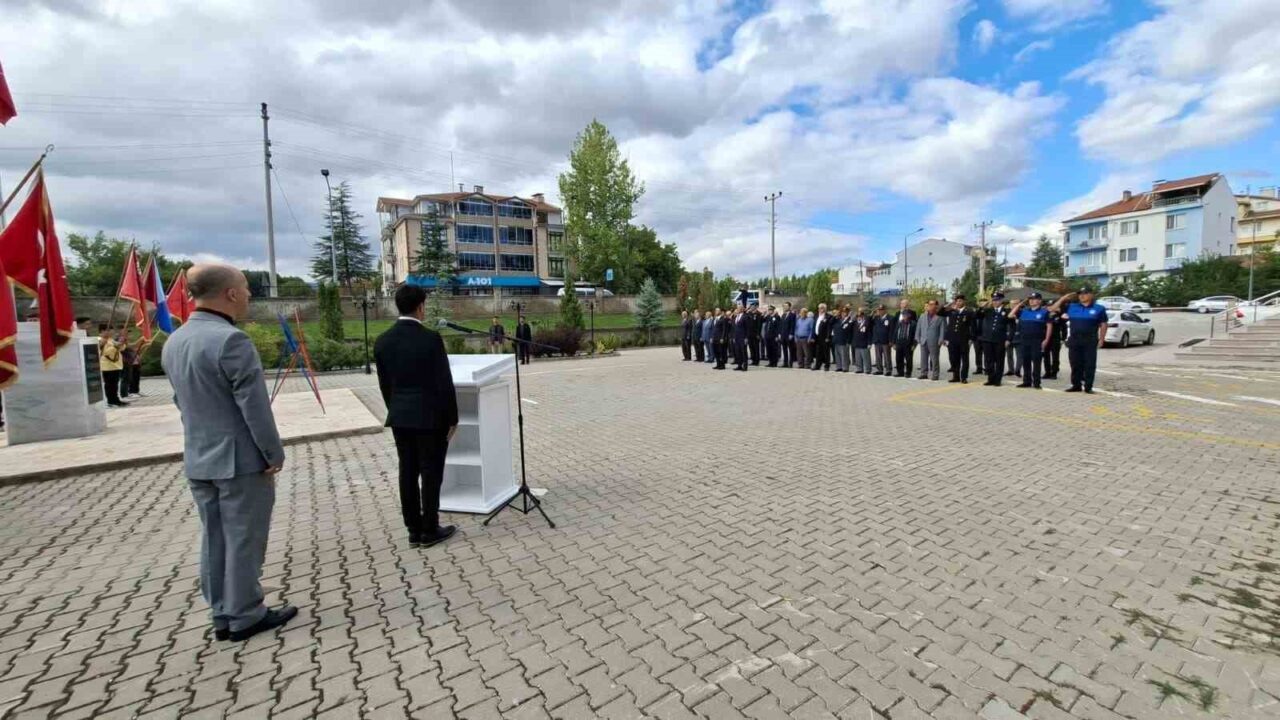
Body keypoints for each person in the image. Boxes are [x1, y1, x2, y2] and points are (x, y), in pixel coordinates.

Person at [161, 263, 294, 642]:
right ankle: (246, 614)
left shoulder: (175, 341)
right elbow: (254, 407)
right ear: (231, 294)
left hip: (199, 457)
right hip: (239, 461)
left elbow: (180, 402)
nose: (249, 294)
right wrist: (272, 453)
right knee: (244, 538)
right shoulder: (231, 341)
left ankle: (222, 611)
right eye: (246, 287)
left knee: (215, 537)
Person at [375, 283, 460, 550]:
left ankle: (413, 529)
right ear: (421, 307)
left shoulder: (382, 341)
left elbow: (384, 384)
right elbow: (444, 382)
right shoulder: (431, 339)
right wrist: (453, 418)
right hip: (430, 419)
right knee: (430, 473)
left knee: (407, 472)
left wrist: (396, 409)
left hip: (400, 417)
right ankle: (430, 528)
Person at [1053, 288, 1108, 393]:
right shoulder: (1072, 306)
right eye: (1080, 294)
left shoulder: (1099, 308)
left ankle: (1088, 387)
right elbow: (1052, 309)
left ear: (1091, 295)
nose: (1081, 296)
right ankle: (1076, 385)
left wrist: (1101, 339)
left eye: (1085, 294)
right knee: (1075, 363)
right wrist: (1063, 298)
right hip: (1074, 339)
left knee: (1089, 364)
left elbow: (1103, 324)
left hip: (1090, 339)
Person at [1008, 292, 1052, 388]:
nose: (1031, 301)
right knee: (1026, 361)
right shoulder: (1024, 311)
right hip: (1024, 340)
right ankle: (1027, 381)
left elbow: (1049, 326)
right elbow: (1010, 315)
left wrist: (1046, 339)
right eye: (1030, 299)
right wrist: (1020, 304)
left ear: (1039, 301)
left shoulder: (1044, 312)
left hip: (1037, 340)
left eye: (1034, 299)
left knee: (1036, 361)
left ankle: (1036, 382)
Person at [976, 292, 1013, 386]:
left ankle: (998, 380)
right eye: (993, 300)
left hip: (1000, 340)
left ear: (1001, 300)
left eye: (997, 300)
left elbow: (1012, 326)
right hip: (987, 339)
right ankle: (990, 378)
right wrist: (983, 306)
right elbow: (978, 315)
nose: (995, 302)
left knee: (999, 360)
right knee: (989, 360)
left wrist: (1009, 339)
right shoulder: (988, 310)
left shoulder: (1007, 311)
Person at [939, 295, 975, 383]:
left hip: (964, 339)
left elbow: (973, 326)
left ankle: (964, 377)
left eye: (960, 301)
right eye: (957, 301)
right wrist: (949, 304)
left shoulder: (969, 312)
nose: (958, 303)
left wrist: (971, 338)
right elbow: (940, 313)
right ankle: (956, 376)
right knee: (954, 358)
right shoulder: (952, 311)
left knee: (964, 359)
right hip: (952, 339)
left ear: (964, 301)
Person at [915, 300, 945, 380]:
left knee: (934, 359)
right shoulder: (922, 316)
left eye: (933, 304)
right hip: (923, 340)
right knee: (923, 358)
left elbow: (942, 330)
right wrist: (917, 337)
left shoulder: (940, 318)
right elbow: (918, 327)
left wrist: (941, 340)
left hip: (934, 341)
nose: (931, 306)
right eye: (929, 304)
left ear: (936, 306)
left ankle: (935, 375)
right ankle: (923, 373)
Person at [99, 330, 128, 408]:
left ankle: (116, 400)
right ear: (102, 331)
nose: (111, 332)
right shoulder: (101, 340)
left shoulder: (111, 340)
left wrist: (122, 343)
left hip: (115, 366)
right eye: (109, 330)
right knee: (109, 385)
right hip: (107, 367)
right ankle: (110, 401)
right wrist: (115, 347)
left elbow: (121, 349)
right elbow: (105, 352)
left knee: (114, 385)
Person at [893, 300, 918, 378]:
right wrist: (894, 343)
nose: (905, 316)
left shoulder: (913, 324)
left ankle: (908, 373)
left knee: (908, 359)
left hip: (908, 343)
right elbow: (895, 333)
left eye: (906, 315)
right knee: (898, 358)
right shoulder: (899, 323)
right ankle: (900, 372)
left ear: (909, 315)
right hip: (899, 342)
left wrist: (914, 344)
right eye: (903, 315)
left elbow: (915, 335)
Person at [1044, 305, 1067, 380]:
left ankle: (1054, 372)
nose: (1050, 308)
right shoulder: (1045, 315)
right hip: (1045, 338)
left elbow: (1064, 327)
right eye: (1048, 306)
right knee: (1046, 356)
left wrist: (1063, 338)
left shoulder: (1059, 316)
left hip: (1055, 338)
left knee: (1055, 356)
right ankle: (1047, 372)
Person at [871, 304, 894, 375]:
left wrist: (891, 340)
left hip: (886, 341)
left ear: (885, 310)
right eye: (879, 310)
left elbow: (891, 330)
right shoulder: (876, 318)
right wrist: (872, 314)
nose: (880, 311)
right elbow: (869, 322)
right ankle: (879, 369)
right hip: (877, 340)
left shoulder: (890, 318)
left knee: (887, 356)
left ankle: (888, 370)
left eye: (881, 310)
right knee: (878, 356)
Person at [811, 303, 833, 371]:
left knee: (826, 352)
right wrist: (813, 336)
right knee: (818, 352)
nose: (820, 309)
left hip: (824, 337)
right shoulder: (816, 316)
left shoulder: (828, 317)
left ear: (825, 309)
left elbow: (829, 328)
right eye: (819, 308)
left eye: (821, 308)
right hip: (817, 336)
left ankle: (827, 365)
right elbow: (814, 326)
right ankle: (818, 365)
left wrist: (828, 337)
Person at [852, 308, 873, 374]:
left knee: (866, 357)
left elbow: (869, 332)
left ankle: (867, 369)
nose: (859, 316)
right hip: (857, 341)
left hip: (865, 342)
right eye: (858, 314)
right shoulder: (855, 321)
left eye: (861, 314)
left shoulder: (867, 321)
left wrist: (869, 343)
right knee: (858, 357)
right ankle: (859, 368)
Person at [831, 307, 852, 372]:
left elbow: (850, 332)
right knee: (837, 354)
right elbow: (830, 322)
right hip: (837, 339)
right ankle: (839, 366)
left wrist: (848, 341)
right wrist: (835, 316)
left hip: (844, 340)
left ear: (847, 313)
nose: (843, 313)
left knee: (844, 355)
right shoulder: (837, 320)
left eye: (845, 312)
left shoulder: (849, 321)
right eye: (842, 312)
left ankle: (845, 367)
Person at [972, 298, 988, 376]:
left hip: (986, 336)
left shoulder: (988, 312)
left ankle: (987, 369)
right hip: (977, 336)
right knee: (978, 353)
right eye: (981, 303)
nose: (983, 305)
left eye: (984, 303)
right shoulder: (977, 312)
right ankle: (979, 368)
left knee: (987, 353)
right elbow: (975, 317)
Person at [731, 307, 750, 371]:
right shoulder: (736, 317)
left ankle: (745, 366)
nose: (737, 310)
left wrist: (746, 337)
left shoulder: (745, 317)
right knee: (738, 352)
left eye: (738, 309)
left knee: (743, 352)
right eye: (737, 309)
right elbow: (734, 328)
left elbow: (747, 328)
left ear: (742, 310)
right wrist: (734, 337)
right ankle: (739, 365)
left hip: (743, 337)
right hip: (736, 337)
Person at [780, 302, 797, 368]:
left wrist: (791, 334)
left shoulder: (792, 315)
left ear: (789, 307)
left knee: (790, 349)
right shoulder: (783, 315)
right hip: (783, 335)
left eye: (786, 306)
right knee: (784, 349)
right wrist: (780, 333)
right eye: (784, 306)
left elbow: (793, 325)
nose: (785, 307)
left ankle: (790, 363)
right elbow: (781, 325)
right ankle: (785, 363)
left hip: (789, 335)